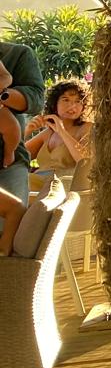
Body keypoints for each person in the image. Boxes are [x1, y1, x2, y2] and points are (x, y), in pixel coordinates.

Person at [0, 40, 45, 256]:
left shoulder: (17, 54)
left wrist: (2, 95)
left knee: (6, 236)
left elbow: (36, 100)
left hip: (8, 164)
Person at [25, 79, 93, 190]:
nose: (72, 106)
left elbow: (85, 163)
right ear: (54, 103)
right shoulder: (47, 133)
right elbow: (15, 158)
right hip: (36, 183)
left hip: (62, 186)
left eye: (78, 101)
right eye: (66, 100)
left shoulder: (86, 128)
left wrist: (62, 132)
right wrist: (27, 131)